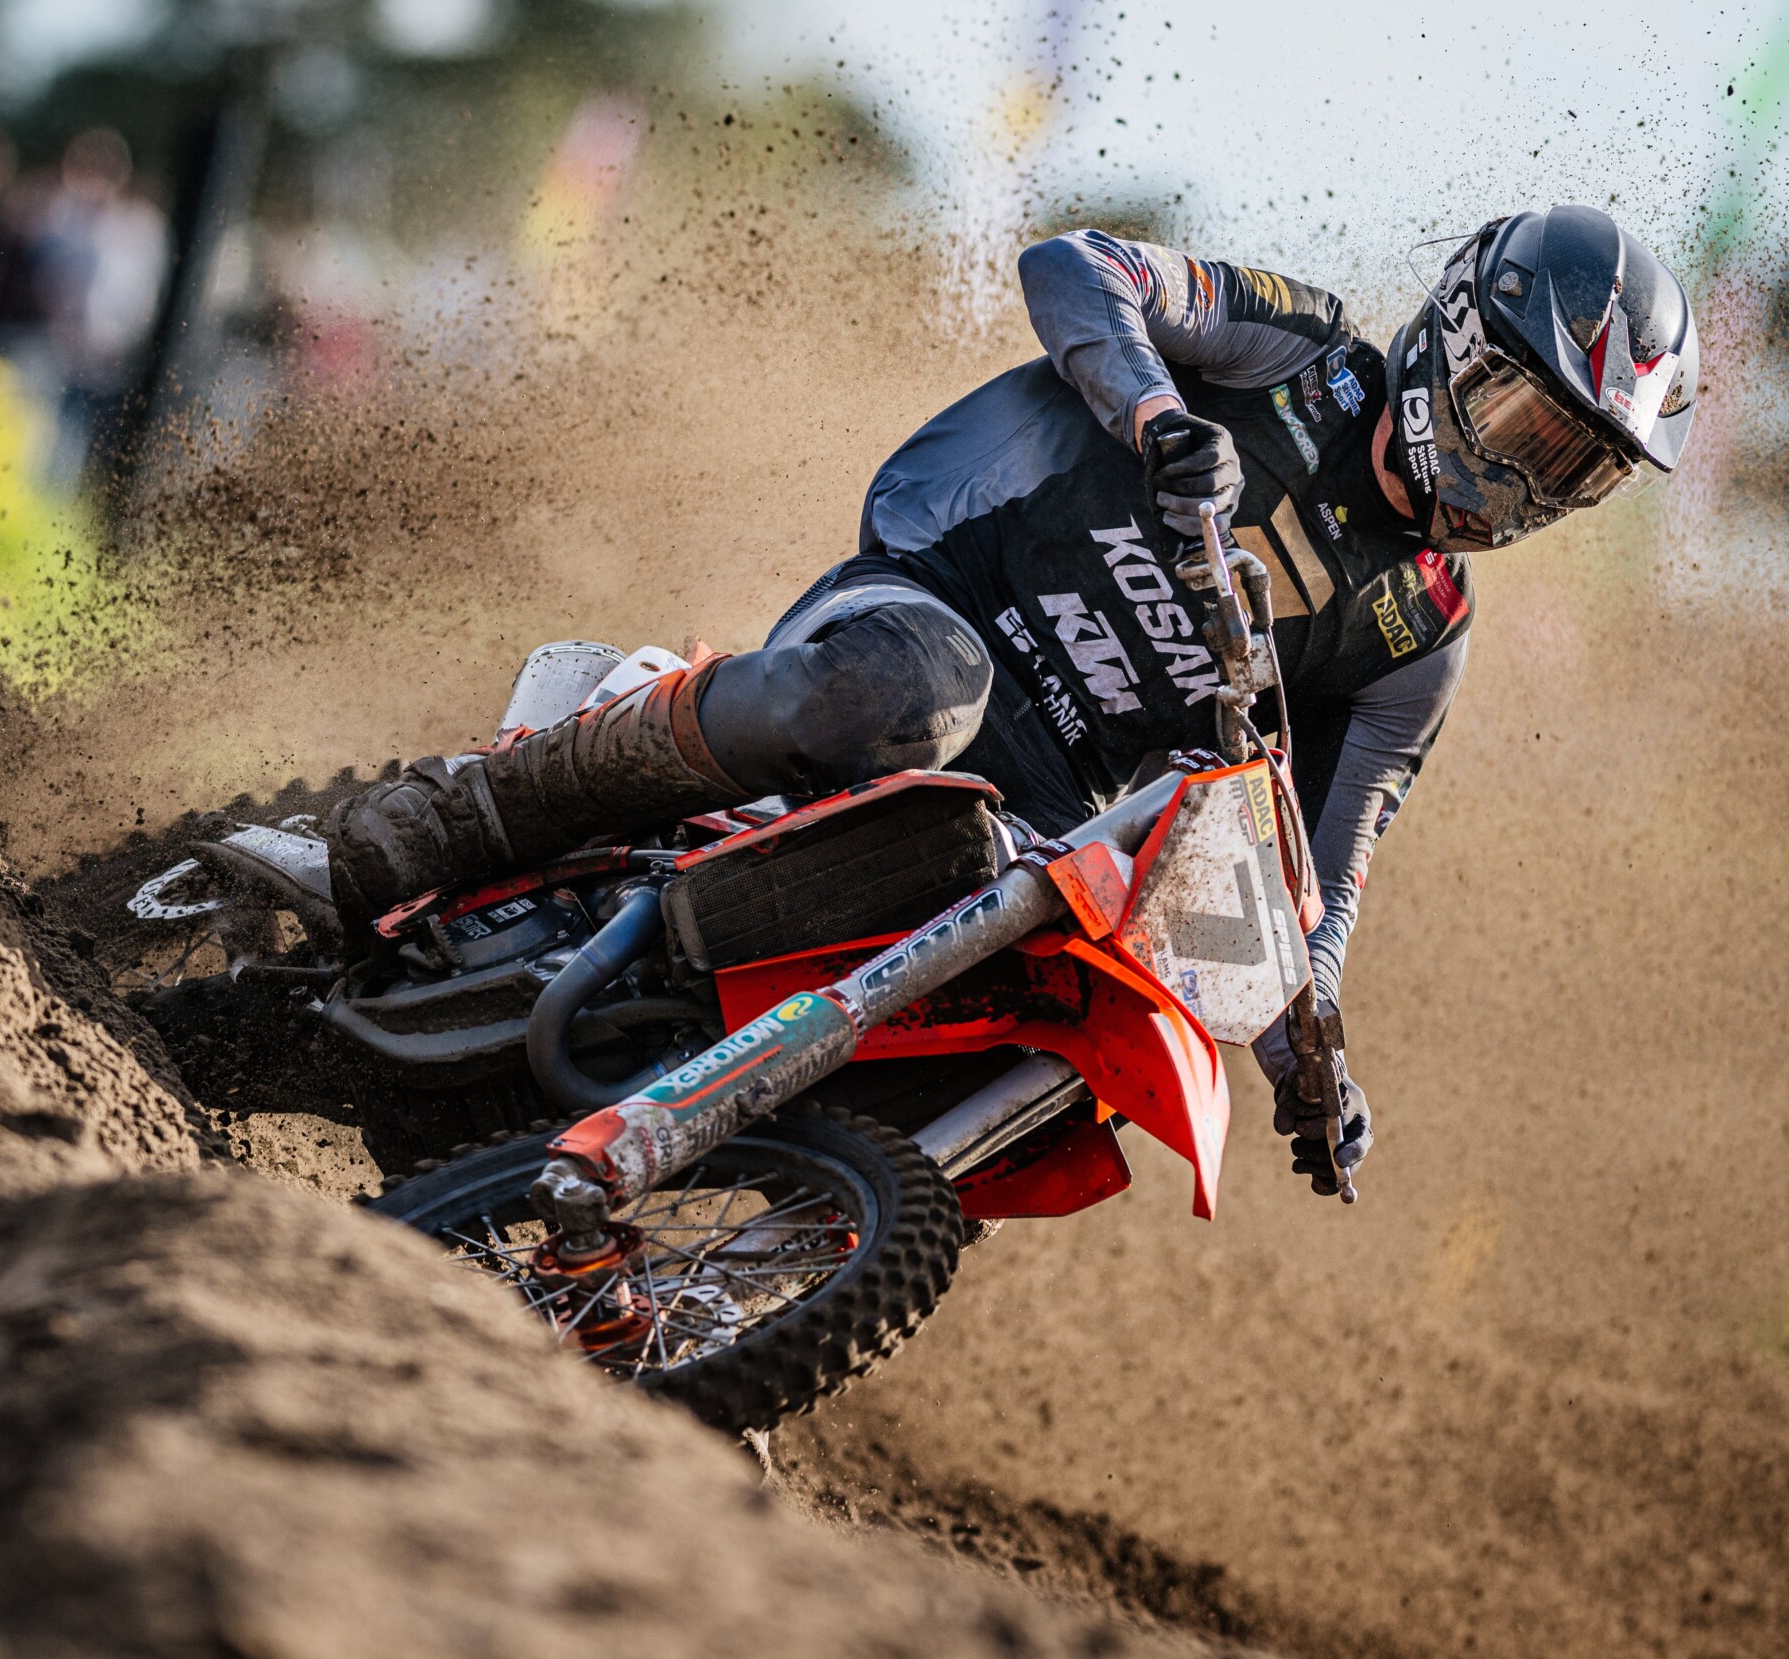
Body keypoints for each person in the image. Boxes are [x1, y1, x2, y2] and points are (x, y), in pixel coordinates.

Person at [328, 205, 1699, 1192]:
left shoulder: (1424, 639)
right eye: (1529, 430)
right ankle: (471, 808)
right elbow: (1079, 265)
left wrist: (1314, 1055)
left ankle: (714, 1282)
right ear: (1461, 345)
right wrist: (1159, 417)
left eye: (1573, 472)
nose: (1528, 484)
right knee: (920, 690)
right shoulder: (1298, 349)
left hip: (1036, 812)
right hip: (931, 604)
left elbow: (1317, 885)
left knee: (1065, 1022)